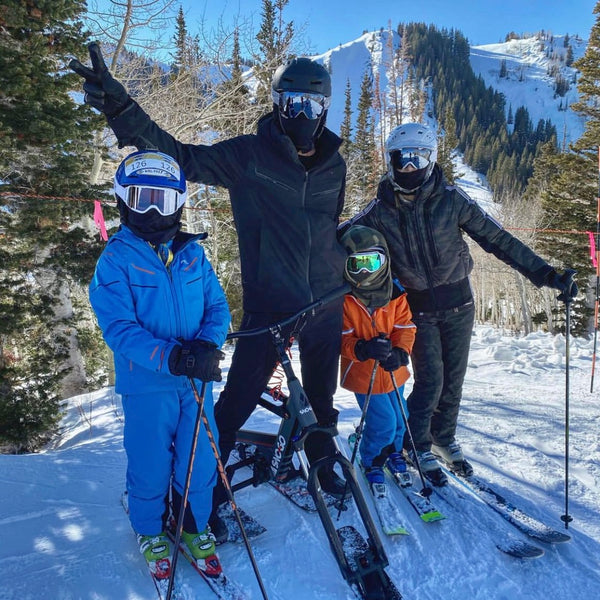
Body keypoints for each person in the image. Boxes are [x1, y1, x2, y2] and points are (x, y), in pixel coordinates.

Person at [71, 44, 348, 537]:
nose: (300, 114)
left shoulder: (335, 167)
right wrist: (121, 108)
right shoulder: (249, 156)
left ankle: (322, 457)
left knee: (322, 399)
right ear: (276, 103)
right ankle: (203, 493)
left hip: (327, 301)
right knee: (236, 399)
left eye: (310, 105)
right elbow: (179, 158)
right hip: (272, 305)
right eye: (291, 103)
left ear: (325, 107)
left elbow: (327, 227)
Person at [342, 122, 578, 486]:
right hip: (417, 309)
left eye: (416, 158)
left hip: (459, 303)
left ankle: (443, 439)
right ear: (390, 162)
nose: (409, 167)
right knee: (430, 381)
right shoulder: (380, 209)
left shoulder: (451, 199)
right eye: (400, 159)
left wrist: (546, 275)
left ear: (431, 158)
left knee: (453, 381)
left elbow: (498, 239)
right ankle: (416, 444)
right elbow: (341, 240)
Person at [88, 150, 230, 577]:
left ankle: (191, 525)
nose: (153, 210)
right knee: (150, 462)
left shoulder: (192, 255)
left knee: (200, 457)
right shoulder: (115, 259)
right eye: (142, 199)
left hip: (196, 382)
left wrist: (206, 344)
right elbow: (119, 328)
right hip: (148, 385)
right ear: (122, 201)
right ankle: (149, 528)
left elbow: (217, 307)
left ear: (179, 205)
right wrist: (170, 356)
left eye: (163, 201)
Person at [339, 225, 416, 492]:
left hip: (393, 370)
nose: (365, 271)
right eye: (356, 263)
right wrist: (362, 349)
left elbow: (405, 327)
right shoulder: (344, 297)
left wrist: (400, 351)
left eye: (372, 261)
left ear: (383, 260)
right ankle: (372, 458)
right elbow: (340, 336)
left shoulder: (394, 292)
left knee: (400, 414)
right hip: (364, 375)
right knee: (383, 421)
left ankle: (394, 450)